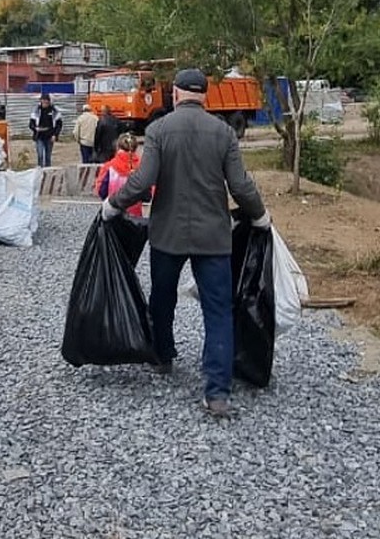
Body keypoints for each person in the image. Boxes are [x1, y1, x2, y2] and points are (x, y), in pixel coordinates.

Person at [102, 67, 269, 418]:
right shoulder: (223, 132)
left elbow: (144, 180)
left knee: (163, 298)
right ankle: (217, 392)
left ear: (175, 95)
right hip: (213, 237)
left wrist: (113, 205)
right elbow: (240, 185)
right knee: (218, 311)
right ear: (205, 97)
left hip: (168, 235)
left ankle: (163, 356)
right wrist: (259, 215)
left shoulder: (160, 130)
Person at [94, 132, 146, 215]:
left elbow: (101, 191)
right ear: (135, 148)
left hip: (113, 211)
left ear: (117, 147)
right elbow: (148, 193)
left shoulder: (109, 167)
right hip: (135, 213)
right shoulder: (142, 167)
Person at [29, 92, 63, 167]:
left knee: (48, 156)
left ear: (49, 101)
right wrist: (35, 129)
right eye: (43, 100)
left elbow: (59, 125)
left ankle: (48, 171)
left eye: (46, 100)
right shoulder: (36, 111)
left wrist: (55, 135)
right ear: (40, 101)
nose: (44, 102)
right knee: (40, 155)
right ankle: (40, 170)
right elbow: (31, 124)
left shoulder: (54, 111)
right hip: (39, 136)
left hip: (50, 136)